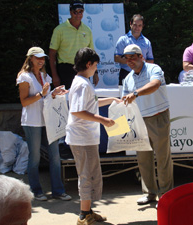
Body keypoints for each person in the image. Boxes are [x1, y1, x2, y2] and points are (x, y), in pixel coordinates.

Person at [65, 47, 121, 224]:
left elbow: (92, 104)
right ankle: (83, 215)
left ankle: (87, 210)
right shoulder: (81, 84)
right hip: (81, 138)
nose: (96, 68)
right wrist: (103, 120)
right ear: (88, 64)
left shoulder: (83, 82)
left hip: (86, 137)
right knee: (86, 174)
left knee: (90, 173)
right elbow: (77, 111)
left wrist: (111, 100)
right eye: (95, 65)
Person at [16, 47, 71, 201]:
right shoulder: (24, 77)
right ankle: (35, 191)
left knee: (55, 156)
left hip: (48, 120)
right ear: (30, 58)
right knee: (35, 158)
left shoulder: (44, 76)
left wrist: (53, 93)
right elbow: (24, 101)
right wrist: (43, 93)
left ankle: (58, 191)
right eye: (37, 58)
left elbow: (46, 100)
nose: (41, 61)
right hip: (32, 121)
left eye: (43, 58)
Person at [121, 44, 173, 205]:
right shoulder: (128, 79)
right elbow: (124, 103)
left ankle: (165, 195)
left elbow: (155, 84)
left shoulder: (153, 69)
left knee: (163, 158)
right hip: (139, 121)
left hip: (158, 117)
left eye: (133, 57)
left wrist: (136, 93)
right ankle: (150, 193)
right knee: (143, 159)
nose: (129, 61)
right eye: (126, 58)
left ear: (141, 57)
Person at [49, 0, 98, 89]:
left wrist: (95, 73)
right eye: (75, 12)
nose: (78, 15)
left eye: (81, 12)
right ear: (70, 12)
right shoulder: (59, 30)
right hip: (65, 70)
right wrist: (54, 75)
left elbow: (92, 54)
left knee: (83, 99)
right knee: (66, 100)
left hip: (84, 69)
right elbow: (52, 54)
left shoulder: (87, 30)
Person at [114, 14, 154, 85]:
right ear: (130, 24)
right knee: (125, 96)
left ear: (142, 26)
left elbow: (151, 60)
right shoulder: (123, 40)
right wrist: (131, 61)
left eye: (139, 25)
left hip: (143, 74)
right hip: (126, 73)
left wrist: (142, 62)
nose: (137, 28)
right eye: (135, 25)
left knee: (143, 95)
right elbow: (117, 58)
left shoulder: (147, 42)